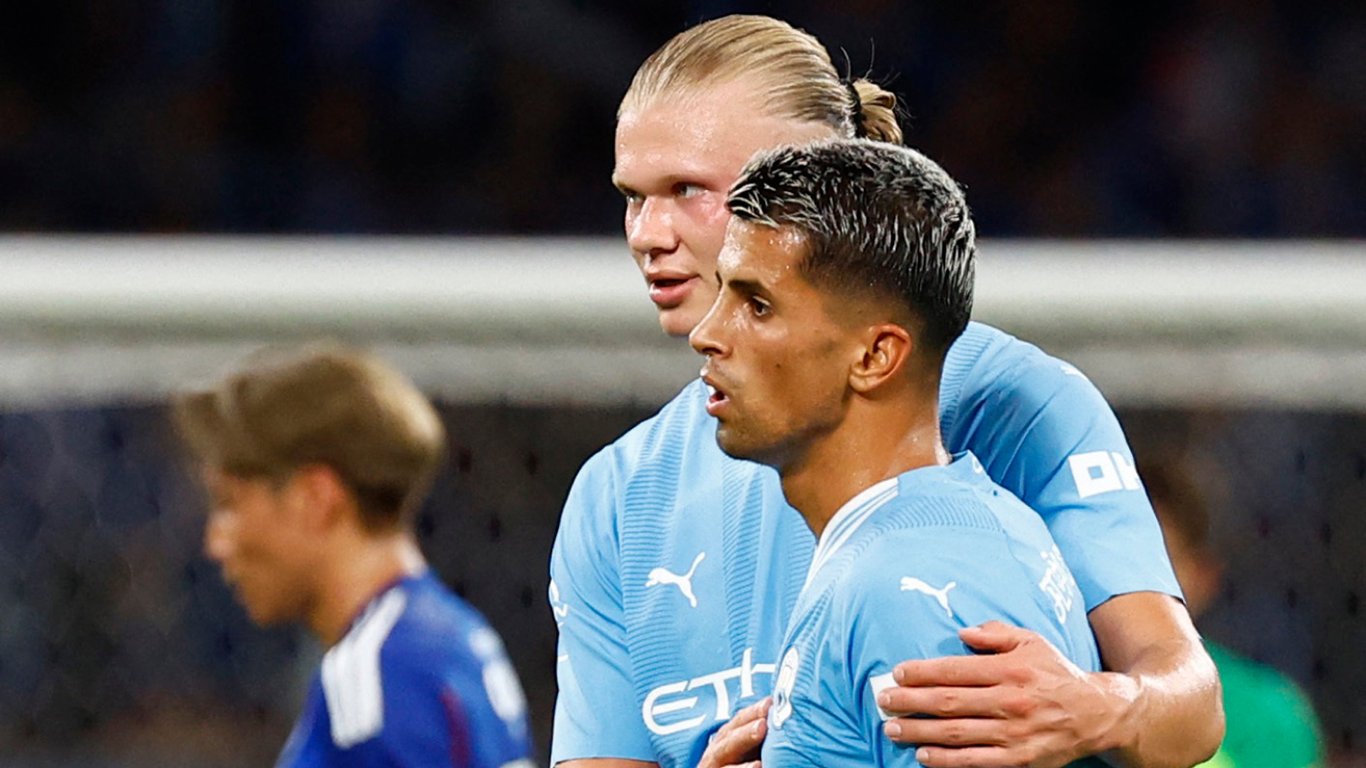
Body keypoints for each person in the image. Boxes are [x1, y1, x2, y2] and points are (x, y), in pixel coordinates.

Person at [550, 14, 1222, 768]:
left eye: (687, 189)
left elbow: (1190, 704)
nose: (648, 232)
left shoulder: (1015, 404)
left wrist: (1099, 708)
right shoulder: (618, 495)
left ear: (813, 180)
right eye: (633, 196)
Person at [691, 135, 1106, 767]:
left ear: (875, 356)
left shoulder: (909, 591)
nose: (707, 332)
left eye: (758, 305)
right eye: (722, 292)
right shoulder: (925, 540)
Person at [174, 342, 536, 768]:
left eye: (229, 503)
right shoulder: (446, 639)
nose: (215, 542)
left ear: (316, 498)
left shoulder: (378, 677)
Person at [1143, 457, 1326, 768]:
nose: (1129, 586)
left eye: (1157, 564)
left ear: (1203, 577)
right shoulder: (1054, 698)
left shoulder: (1269, 718)